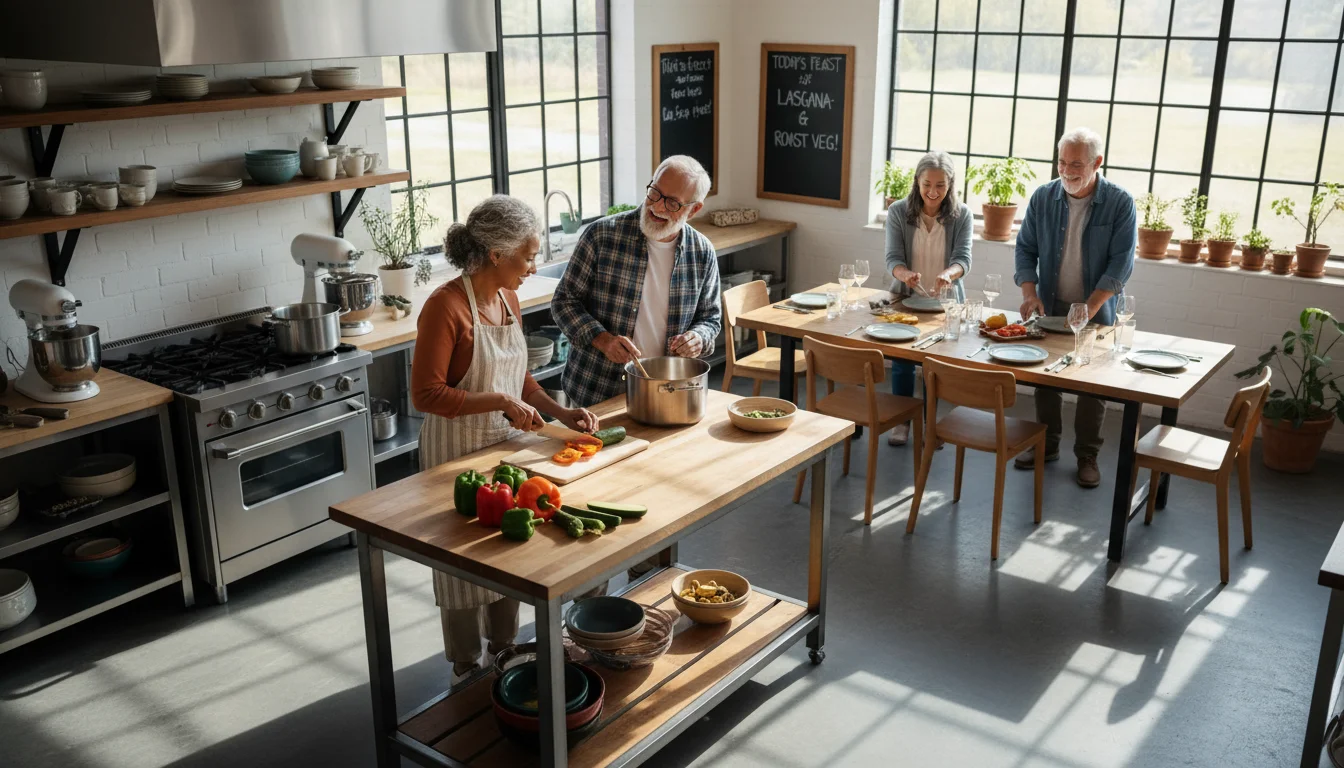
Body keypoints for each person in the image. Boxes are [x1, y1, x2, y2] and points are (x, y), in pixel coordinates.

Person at [411, 195, 598, 678]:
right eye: (529, 255)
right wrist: (499, 402)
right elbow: (427, 395)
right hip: (455, 452)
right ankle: (466, 665)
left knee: (506, 551)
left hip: (505, 449)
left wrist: (560, 411)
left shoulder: (509, 299)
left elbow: (521, 381)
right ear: (497, 254)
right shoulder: (445, 306)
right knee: (461, 564)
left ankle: (504, 648)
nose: (534, 266)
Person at [1013, 127, 1136, 488]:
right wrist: (1028, 292)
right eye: (1061, 162)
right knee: (1045, 378)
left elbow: (1121, 265)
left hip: (1098, 307)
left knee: (1091, 386)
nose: (1066, 171)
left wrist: (1090, 306)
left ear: (1098, 162)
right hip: (1050, 303)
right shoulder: (1043, 198)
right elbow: (1025, 250)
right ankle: (1046, 445)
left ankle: (1087, 455)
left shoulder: (1119, 202)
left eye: (1076, 164)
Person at [552, 155, 722, 409]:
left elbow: (710, 319)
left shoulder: (701, 252)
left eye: (673, 203)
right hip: (597, 391)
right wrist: (602, 339)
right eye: (655, 192)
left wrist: (698, 338)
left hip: (668, 390)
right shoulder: (601, 236)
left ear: (694, 209)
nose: (657, 207)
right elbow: (564, 302)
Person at [883, 150, 972, 446]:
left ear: (950, 185)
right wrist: (904, 274)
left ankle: (930, 424)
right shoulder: (898, 212)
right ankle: (902, 423)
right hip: (907, 298)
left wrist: (949, 274)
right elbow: (892, 258)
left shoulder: (963, 215)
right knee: (902, 361)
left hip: (945, 302)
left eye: (940, 185)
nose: (933, 192)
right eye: (927, 184)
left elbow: (964, 258)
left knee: (936, 364)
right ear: (916, 182)